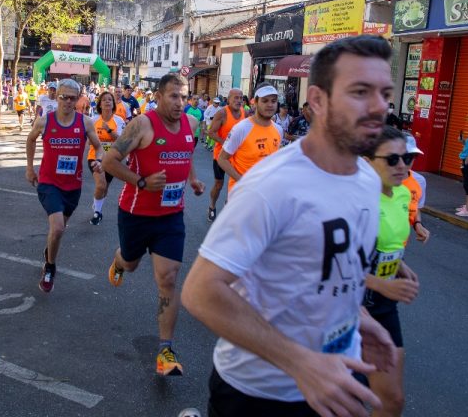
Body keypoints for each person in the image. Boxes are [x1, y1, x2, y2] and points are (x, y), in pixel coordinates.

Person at [180, 35, 397, 417]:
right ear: (317, 100)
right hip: (261, 394)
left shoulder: (366, 179)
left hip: (337, 376)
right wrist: (300, 362)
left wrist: (360, 320)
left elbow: (331, 273)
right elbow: (200, 292)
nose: (379, 106)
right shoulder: (272, 185)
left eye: (385, 93)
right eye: (360, 92)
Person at [102, 73, 206, 377]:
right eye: (173, 96)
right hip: (136, 213)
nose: (180, 102)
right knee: (131, 263)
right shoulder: (142, 125)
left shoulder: (191, 123)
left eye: (184, 97)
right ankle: (119, 259)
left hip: (171, 216)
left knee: (169, 278)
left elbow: (185, 154)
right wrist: (141, 182)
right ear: (158, 97)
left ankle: (165, 351)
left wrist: (193, 179)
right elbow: (110, 161)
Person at [25, 79, 104, 293]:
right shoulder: (44, 121)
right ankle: (50, 267)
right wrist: (30, 168)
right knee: (58, 227)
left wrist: (99, 160)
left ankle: (49, 251)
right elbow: (30, 140)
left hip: (72, 186)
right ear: (56, 97)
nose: (68, 102)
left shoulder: (85, 122)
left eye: (72, 98)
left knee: (58, 230)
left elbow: (99, 147)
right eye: (64, 97)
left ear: (78, 99)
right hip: (49, 183)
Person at [362, 126, 420, 417]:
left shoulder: (402, 195)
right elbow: (330, 265)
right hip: (350, 307)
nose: (402, 166)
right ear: (368, 160)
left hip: (384, 306)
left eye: (407, 158)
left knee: (393, 400)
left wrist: (400, 266)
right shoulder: (356, 201)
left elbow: (388, 245)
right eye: (392, 159)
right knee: (346, 399)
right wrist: (380, 283)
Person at [217, 84, 282, 194]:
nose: (270, 105)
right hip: (241, 194)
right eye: (265, 101)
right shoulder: (241, 128)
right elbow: (222, 159)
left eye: (273, 101)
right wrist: (243, 182)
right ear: (255, 102)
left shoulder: (278, 130)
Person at [206, 88, 245, 222]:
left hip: (238, 155)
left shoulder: (244, 112)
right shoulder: (222, 113)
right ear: (228, 99)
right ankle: (212, 206)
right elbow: (211, 132)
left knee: (237, 182)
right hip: (221, 155)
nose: (239, 101)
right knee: (219, 184)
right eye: (236, 98)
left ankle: (229, 204)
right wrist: (227, 143)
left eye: (241, 98)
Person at [87, 91, 125, 225]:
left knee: (105, 187)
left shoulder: (118, 120)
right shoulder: (93, 120)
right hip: (95, 157)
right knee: (101, 184)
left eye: (110, 100)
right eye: (104, 100)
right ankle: (97, 213)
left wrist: (108, 130)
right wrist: (96, 141)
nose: (107, 102)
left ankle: (98, 205)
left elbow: (121, 141)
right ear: (100, 104)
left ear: (113, 104)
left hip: (111, 159)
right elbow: (89, 141)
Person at [402, 133, 430, 243]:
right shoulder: (377, 179)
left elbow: (415, 207)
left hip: (399, 246)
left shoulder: (419, 181)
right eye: (403, 156)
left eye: (411, 157)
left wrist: (417, 223)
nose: (405, 162)